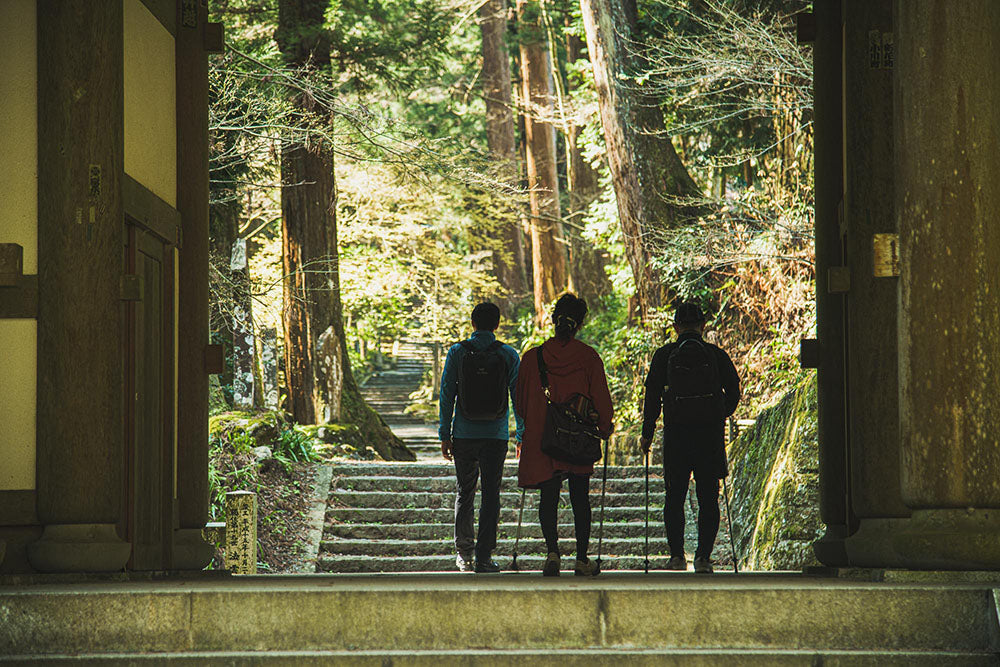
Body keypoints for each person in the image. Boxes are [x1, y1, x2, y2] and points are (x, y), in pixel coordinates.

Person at [516, 293, 613, 577]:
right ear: (579, 324)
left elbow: (521, 405)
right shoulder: (588, 358)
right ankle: (582, 558)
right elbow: (602, 402)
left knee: (549, 497)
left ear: (553, 319)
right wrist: (604, 426)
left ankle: (552, 554)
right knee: (580, 498)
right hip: (577, 438)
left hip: (543, 439)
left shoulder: (531, 359)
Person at [640, 302, 740, 574]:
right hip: (709, 435)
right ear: (703, 326)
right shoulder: (716, 355)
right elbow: (734, 391)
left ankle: (676, 557)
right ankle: (703, 558)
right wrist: (718, 413)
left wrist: (647, 433)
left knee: (674, 496)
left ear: (675, 327)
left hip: (677, 435)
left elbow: (652, 398)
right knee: (708, 497)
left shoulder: (664, 355)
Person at [439, 302, 523, 573]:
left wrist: (445, 434)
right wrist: (521, 433)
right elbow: (518, 397)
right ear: (497, 325)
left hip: (463, 434)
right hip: (496, 436)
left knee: (465, 492)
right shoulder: (508, 354)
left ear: (473, 324)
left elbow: (446, 394)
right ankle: (485, 557)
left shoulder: (457, 352)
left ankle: (464, 554)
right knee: (490, 494)